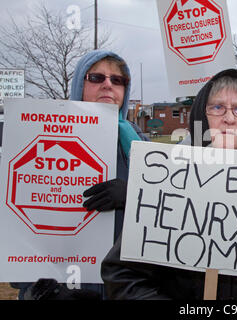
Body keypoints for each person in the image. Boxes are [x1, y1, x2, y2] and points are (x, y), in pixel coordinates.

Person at [100, 68, 237, 300]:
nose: (229, 118)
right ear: (201, 116)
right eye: (217, 107)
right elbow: (122, 274)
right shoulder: (167, 183)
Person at [11, 50, 148, 300]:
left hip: (126, 286)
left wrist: (136, 195)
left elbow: (165, 214)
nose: (108, 84)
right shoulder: (40, 135)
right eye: (96, 77)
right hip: (64, 284)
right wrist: (42, 289)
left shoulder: (141, 144)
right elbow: (16, 227)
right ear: (79, 84)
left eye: (118, 80)